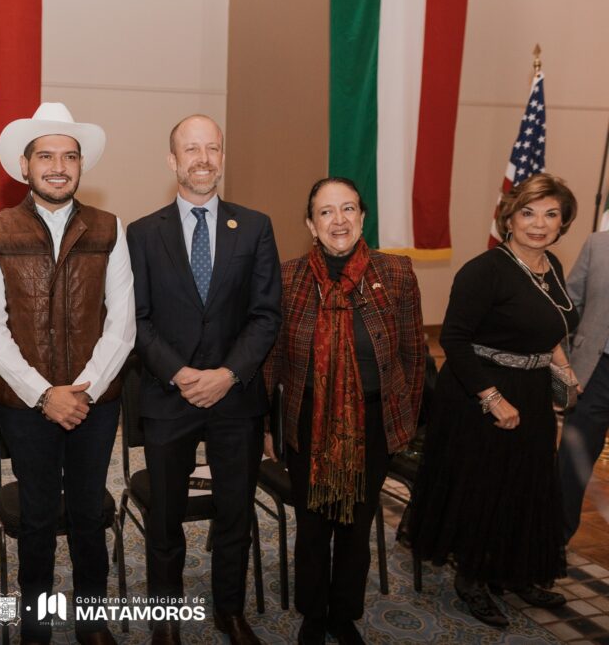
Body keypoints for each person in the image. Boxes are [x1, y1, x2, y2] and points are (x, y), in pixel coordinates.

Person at [0, 102, 135, 645]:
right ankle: (35, 622)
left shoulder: (110, 228)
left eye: (69, 156)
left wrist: (80, 392)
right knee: (37, 518)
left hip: (95, 401)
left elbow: (123, 324)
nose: (58, 166)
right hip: (27, 404)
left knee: (90, 513)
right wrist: (45, 395)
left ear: (81, 166)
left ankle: (92, 620)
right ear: (25, 166)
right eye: (46, 155)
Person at [127, 114, 281, 645]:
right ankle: (166, 621)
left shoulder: (255, 226)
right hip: (168, 398)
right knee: (165, 520)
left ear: (222, 156)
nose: (203, 159)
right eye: (191, 149)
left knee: (235, 514)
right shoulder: (142, 233)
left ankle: (230, 613)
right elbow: (136, 320)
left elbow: (266, 315)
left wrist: (227, 374)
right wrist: (181, 373)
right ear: (172, 160)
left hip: (235, 399)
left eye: (212, 148)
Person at [409, 173, 580, 627]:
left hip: (534, 389)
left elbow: (550, 328)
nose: (538, 224)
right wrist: (491, 398)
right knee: (485, 488)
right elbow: (455, 340)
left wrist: (563, 368)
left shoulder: (552, 268)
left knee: (526, 485)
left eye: (550, 215)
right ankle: (473, 579)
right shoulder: (485, 271)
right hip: (478, 391)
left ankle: (515, 571)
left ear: (563, 223)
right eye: (528, 212)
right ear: (509, 217)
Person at [262, 177, 425, 645]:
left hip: (372, 422)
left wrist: (402, 421)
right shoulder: (289, 276)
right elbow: (272, 359)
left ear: (362, 217)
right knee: (313, 525)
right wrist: (269, 426)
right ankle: (314, 614)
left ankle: (344, 615)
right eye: (327, 212)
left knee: (357, 523)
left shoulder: (396, 273)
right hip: (306, 420)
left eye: (348, 209)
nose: (339, 220)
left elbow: (414, 356)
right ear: (311, 225)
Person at [559, 230, 609, 541]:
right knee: (570, 468)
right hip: (595, 371)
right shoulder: (599, 245)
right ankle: (553, 547)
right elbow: (567, 308)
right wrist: (562, 373)